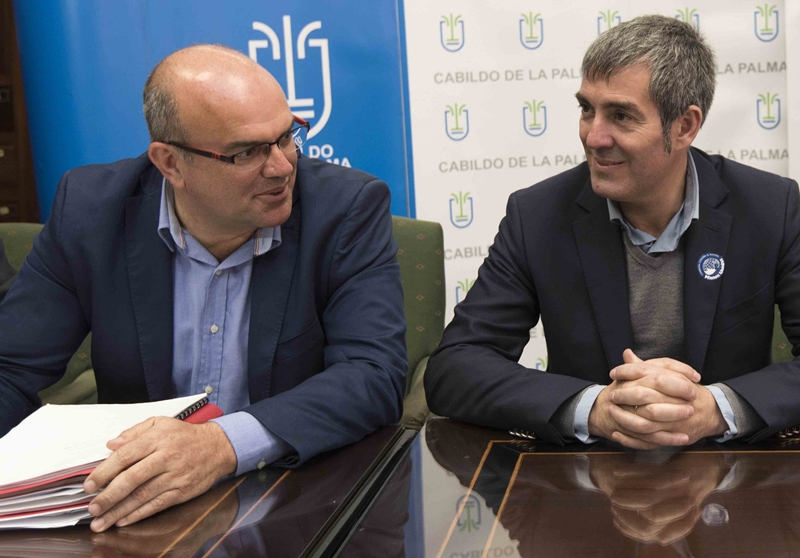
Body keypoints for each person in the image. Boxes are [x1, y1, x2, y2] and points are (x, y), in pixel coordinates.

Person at [0, 44, 406, 531]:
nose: (281, 166)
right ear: (170, 163)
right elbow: (11, 367)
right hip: (142, 510)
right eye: (247, 152)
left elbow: (373, 374)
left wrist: (221, 444)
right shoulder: (90, 211)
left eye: (286, 136)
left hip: (301, 499)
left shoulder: (346, 210)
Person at [426, 15, 800, 450]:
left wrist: (716, 409)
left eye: (621, 116)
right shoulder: (537, 215)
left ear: (684, 126)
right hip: (586, 472)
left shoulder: (770, 207)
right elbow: (455, 367)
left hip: (731, 474)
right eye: (587, 109)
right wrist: (594, 409)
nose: (594, 136)